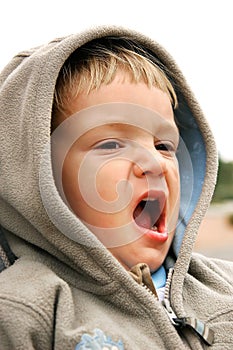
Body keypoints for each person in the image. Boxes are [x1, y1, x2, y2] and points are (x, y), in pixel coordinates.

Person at [0, 26, 232, 350]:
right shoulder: (25, 311)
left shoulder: (224, 286)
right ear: (39, 182)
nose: (154, 162)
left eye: (164, 145)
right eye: (110, 144)